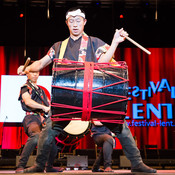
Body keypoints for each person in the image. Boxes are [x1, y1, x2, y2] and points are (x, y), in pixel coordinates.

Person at [17, 7, 156, 173]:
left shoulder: (94, 42)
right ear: (67, 23)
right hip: (68, 98)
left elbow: (103, 61)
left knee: (120, 126)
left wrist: (115, 42)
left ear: (84, 22)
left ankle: (137, 164)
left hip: (94, 96)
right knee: (49, 130)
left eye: (78, 21)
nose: (75, 24)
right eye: (71, 21)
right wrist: (26, 69)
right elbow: (40, 63)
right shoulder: (59, 46)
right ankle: (39, 165)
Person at [16, 70, 63, 173]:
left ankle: (49, 166)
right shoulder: (25, 87)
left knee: (52, 144)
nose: (35, 74)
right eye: (32, 72)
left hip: (42, 119)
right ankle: (21, 165)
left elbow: (49, 105)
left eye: (37, 72)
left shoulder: (41, 90)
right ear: (27, 74)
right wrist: (43, 107)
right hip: (31, 118)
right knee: (36, 136)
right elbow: (28, 101)